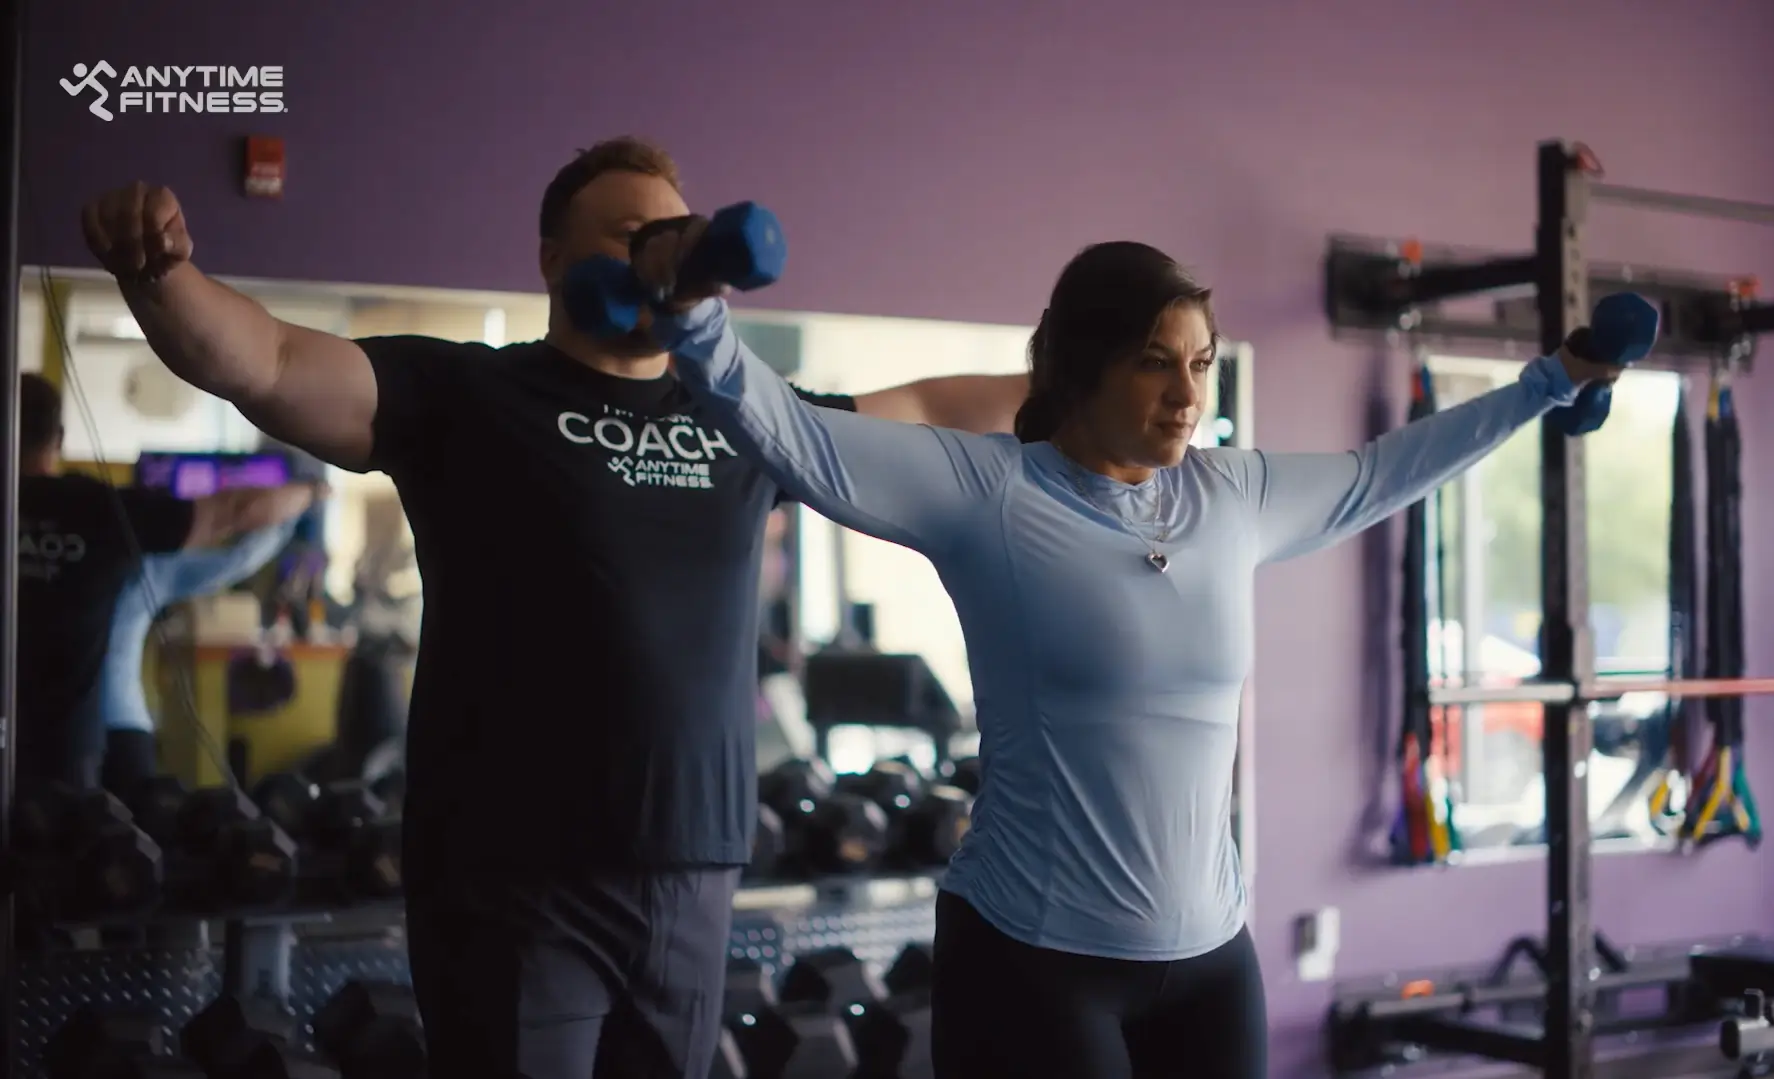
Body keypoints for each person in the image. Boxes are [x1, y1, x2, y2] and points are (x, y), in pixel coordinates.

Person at [77, 136, 1029, 1079]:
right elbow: (272, 360)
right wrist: (162, 276)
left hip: (692, 866)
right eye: (625, 234)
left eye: (670, 234)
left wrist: (1088, 384)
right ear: (551, 259)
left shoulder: (748, 418)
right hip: (511, 871)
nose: (655, 254)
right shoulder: (469, 394)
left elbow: (928, 412)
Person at [646, 238, 1625, 1079]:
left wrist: (1546, 386)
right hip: (1032, 958)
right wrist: (690, 312)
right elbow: (795, 434)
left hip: (1209, 959)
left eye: (1198, 362)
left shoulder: (1227, 494)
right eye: (1156, 363)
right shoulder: (987, 492)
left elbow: (1381, 472)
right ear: (1082, 367)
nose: (1186, 393)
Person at [18, 372, 321, 791]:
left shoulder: (101, 523)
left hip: (31, 731)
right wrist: (306, 495)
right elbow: (236, 535)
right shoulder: (98, 517)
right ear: (58, 437)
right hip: (97, 736)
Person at [85, 516, 302, 801]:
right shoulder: (148, 569)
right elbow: (237, 560)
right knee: (131, 835)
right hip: (121, 724)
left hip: (73, 725)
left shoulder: (71, 562)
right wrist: (286, 518)